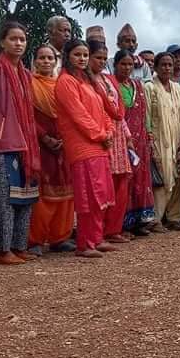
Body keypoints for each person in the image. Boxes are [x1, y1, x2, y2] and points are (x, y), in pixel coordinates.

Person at [0, 21, 42, 265]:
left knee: (25, 197)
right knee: (4, 200)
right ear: (2, 41)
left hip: (26, 144)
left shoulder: (25, 74)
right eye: (13, 39)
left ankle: (18, 245)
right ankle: (2, 250)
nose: (18, 43)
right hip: (2, 144)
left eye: (22, 39)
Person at [54, 39, 117, 258]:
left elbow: (103, 111)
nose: (81, 59)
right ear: (68, 56)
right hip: (82, 145)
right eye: (77, 55)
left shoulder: (88, 81)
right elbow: (78, 115)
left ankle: (97, 238)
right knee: (87, 196)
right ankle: (85, 243)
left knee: (100, 194)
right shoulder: (65, 82)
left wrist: (108, 132)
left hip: (98, 144)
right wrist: (101, 135)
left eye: (84, 55)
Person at [27, 45, 76, 256]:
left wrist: (65, 137)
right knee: (43, 194)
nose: (46, 62)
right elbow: (27, 114)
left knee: (66, 191)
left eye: (50, 58)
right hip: (40, 144)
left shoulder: (61, 85)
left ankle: (60, 237)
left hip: (64, 143)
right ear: (35, 61)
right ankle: (36, 239)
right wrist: (44, 137)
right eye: (42, 58)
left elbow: (70, 113)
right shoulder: (29, 84)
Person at [89, 39, 133, 243]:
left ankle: (114, 229)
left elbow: (119, 111)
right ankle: (99, 232)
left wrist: (127, 135)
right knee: (103, 186)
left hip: (118, 136)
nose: (101, 62)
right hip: (102, 136)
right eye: (97, 58)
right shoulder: (87, 81)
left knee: (121, 184)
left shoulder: (108, 79)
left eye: (104, 59)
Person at [112, 50, 156, 234]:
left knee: (140, 178)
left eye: (130, 64)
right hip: (120, 139)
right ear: (115, 65)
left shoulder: (137, 85)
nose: (127, 68)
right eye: (123, 64)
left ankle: (139, 221)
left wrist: (148, 134)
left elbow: (144, 113)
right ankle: (121, 223)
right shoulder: (111, 84)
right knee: (124, 180)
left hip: (140, 139)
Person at [144, 52, 180, 232]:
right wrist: (149, 138)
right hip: (159, 138)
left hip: (177, 137)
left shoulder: (178, 88)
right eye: (163, 65)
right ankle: (155, 219)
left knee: (179, 176)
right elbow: (146, 115)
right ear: (155, 67)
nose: (167, 68)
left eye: (170, 65)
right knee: (163, 177)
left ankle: (174, 217)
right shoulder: (149, 87)